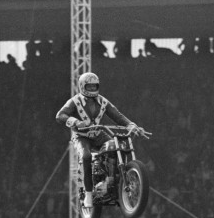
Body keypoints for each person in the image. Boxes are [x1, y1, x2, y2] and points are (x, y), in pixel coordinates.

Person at [55, 72, 148, 208]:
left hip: (98, 134)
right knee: (86, 155)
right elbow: (60, 115)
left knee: (117, 146)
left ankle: (114, 179)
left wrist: (132, 125)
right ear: (82, 86)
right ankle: (88, 193)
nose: (92, 89)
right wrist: (75, 121)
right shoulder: (74, 101)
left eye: (95, 86)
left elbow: (118, 115)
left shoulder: (103, 101)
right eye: (89, 87)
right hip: (81, 136)